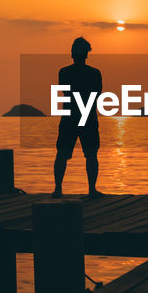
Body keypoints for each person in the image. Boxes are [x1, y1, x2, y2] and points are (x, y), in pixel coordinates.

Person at [53, 36, 103, 197]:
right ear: (86, 54)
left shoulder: (64, 72)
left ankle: (58, 189)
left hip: (70, 118)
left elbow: (66, 92)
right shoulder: (95, 73)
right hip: (87, 117)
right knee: (91, 154)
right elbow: (96, 95)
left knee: (63, 154)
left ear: (72, 54)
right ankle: (91, 190)